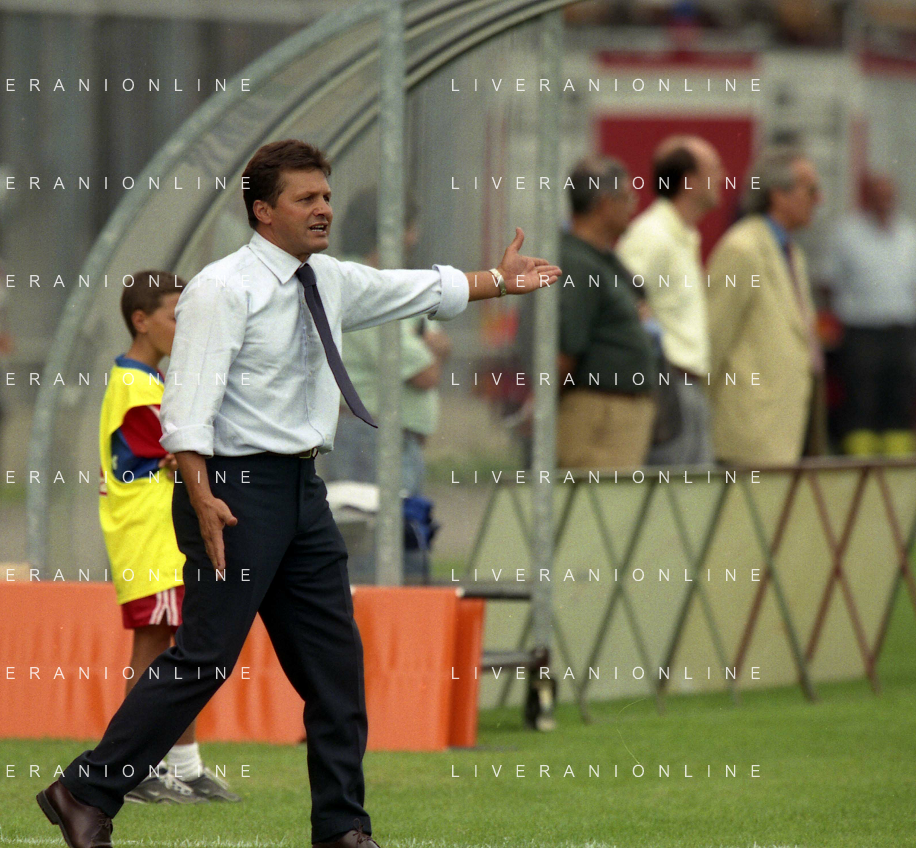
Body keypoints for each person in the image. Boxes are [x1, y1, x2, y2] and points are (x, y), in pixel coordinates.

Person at [36, 138, 561, 848]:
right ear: (263, 211)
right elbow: (185, 409)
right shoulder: (222, 289)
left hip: (301, 494)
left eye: (326, 196)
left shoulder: (328, 278)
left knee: (335, 669)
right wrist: (202, 497)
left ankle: (342, 830)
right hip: (232, 493)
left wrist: (496, 279)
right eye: (305, 198)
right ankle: (85, 790)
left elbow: (411, 288)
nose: (323, 209)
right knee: (204, 658)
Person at [95, 270, 239, 806]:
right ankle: (133, 766)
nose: (185, 327)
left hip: (165, 538)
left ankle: (184, 766)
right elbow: (182, 452)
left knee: (183, 647)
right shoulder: (134, 386)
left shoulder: (149, 380)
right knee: (155, 647)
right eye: (176, 317)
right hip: (148, 539)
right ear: (141, 320)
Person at [318, 187, 451, 583]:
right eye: (409, 228)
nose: (414, 239)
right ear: (386, 231)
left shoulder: (387, 284)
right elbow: (423, 370)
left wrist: (428, 345)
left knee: (400, 549)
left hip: (392, 439)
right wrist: (429, 346)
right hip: (370, 440)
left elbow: (433, 344)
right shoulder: (358, 285)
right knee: (377, 558)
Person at [534, 155, 657, 468]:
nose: (633, 206)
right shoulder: (576, 263)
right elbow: (565, 350)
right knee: (599, 497)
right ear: (605, 204)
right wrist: (543, 410)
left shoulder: (601, 259)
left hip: (617, 417)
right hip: (598, 419)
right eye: (627, 197)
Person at [704, 146, 823, 465]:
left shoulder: (791, 253)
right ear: (778, 195)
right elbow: (713, 338)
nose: (819, 199)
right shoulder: (742, 249)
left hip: (784, 425)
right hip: (749, 431)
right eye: (811, 190)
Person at [616, 135, 724, 465]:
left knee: (691, 491)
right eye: (714, 169)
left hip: (686, 387)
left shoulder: (681, 235)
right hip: (669, 386)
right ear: (689, 182)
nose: (722, 176)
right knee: (673, 490)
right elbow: (621, 301)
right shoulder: (653, 235)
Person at [821, 172, 916, 456]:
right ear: (867, 198)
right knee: (861, 396)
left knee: (901, 395)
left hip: (903, 328)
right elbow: (829, 281)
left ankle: (898, 461)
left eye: (888, 196)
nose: (884, 202)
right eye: (878, 196)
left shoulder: (911, 234)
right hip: (862, 329)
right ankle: (861, 462)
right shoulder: (847, 233)